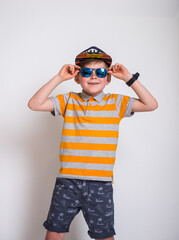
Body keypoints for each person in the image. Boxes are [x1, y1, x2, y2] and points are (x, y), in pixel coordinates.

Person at [28, 46, 158, 240]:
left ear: (108, 78)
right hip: (67, 183)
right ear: (77, 77)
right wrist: (59, 77)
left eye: (101, 72)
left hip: (100, 184)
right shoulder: (69, 100)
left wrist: (128, 78)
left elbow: (151, 104)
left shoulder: (116, 103)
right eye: (87, 72)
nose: (94, 77)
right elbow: (34, 104)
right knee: (54, 232)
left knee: (104, 235)